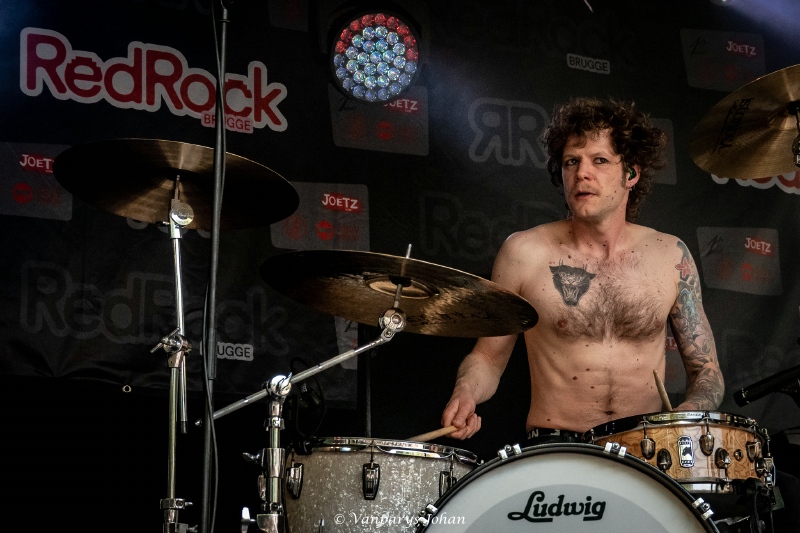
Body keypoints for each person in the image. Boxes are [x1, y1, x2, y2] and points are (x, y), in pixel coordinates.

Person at [441, 96, 725, 444]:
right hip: (556, 445)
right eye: (571, 162)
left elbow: (706, 370)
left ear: (631, 173)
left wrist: (691, 411)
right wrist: (466, 393)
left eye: (599, 160)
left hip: (643, 448)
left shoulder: (670, 256)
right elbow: (487, 358)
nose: (582, 173)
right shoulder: (524, 253)